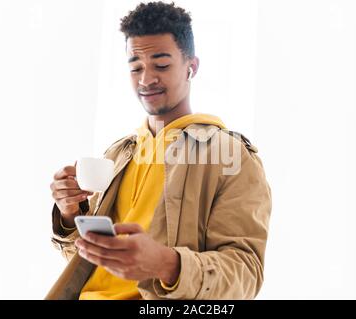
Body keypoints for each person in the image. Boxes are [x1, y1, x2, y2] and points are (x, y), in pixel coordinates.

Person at [46, 1, 271, 300]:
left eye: (161, 65)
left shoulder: (232, 157)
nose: (145, 79)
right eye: (135, 67)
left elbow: (245, 274)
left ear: (191, 67)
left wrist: (166, 264)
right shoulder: (119, 153)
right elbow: (92, 263)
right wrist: (70, 213)